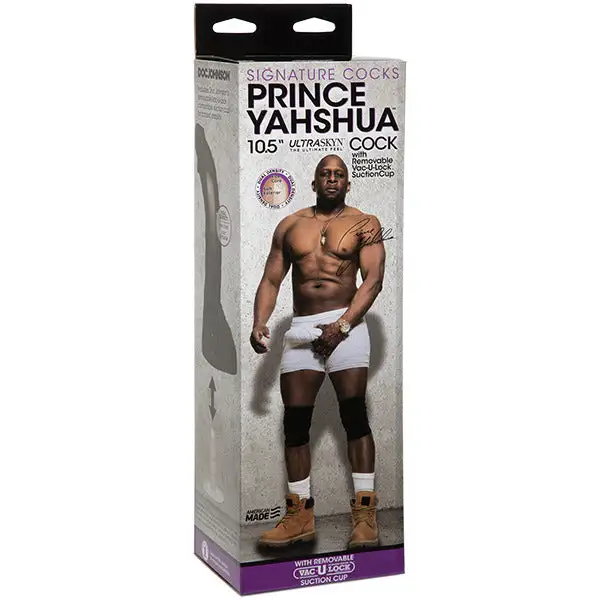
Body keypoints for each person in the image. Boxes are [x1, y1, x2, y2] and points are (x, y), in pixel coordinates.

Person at [250, 155, 386, 549]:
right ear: (313, 183)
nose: (332, 179)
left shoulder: (365, 223)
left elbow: (373, 281)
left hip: (347, 324)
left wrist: (341, 326)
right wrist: (259, 321)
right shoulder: (290, 225)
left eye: (339, 174)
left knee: (354, 416)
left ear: (348, 183)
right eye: (325, 174)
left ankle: (365, 514)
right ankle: (300, 515)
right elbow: (271, 279)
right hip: (302, 327)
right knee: (295, 424)